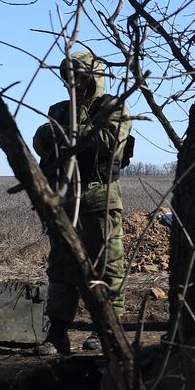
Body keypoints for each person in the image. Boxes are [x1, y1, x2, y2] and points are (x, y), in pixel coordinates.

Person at [32, 49, 132, 356]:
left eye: (80, 75)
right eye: (69, 76)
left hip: (99, 196)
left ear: (93, 77)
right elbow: (40, 139)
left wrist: (73, 135)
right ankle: (58, 333)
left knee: (107, 263)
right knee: (62, 265)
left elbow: (110, 143)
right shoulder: (60, 110)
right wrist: (65, 133)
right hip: (64, 196)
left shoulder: (112, 106)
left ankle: (106, 330)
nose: (73, 82)